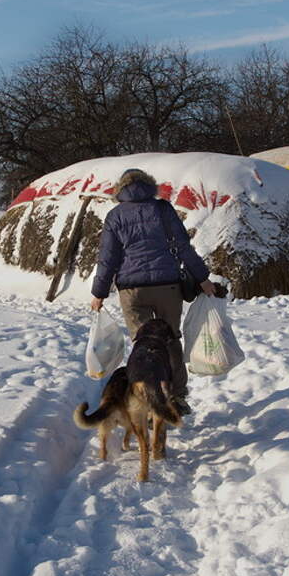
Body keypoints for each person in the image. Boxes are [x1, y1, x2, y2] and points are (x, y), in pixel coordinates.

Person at [90, 168, 216, 414]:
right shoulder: (163, 209)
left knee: (143, 347)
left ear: (121, 189)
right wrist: (203, 279)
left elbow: (107, 259)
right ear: (149, 186)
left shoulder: (115, 216)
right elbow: (183, 247)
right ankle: (177, 397)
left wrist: (99, 292)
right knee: (170, 341)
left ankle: (147, 401)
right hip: (167, 287)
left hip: (132, 291)